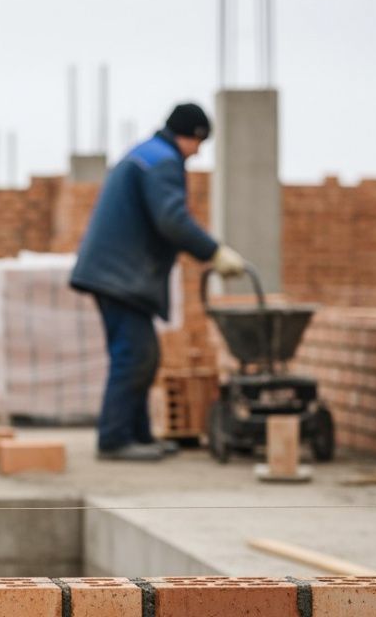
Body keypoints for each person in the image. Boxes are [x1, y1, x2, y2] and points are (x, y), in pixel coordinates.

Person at [70, 103, 246, 461]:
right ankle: (115, 440)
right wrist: (214, 252)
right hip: (120, 275)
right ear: (191, 136)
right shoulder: (163, 161)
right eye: (199, 144)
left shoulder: (147, 154)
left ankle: (138, 436)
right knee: (134, 355)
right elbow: (173, 219)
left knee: (141, 355)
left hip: (114, 272)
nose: (197, 153)